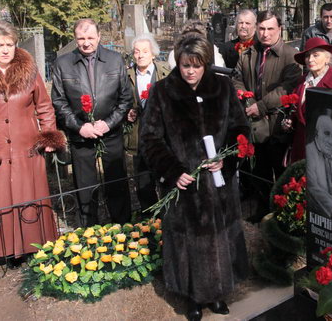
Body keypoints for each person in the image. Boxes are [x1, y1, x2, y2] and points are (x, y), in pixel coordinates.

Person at [141, 36, 249, 321]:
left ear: (206, 64)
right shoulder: (163, 92)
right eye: (185, 65)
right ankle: (192, 297)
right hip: (185, 184)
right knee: (188, 243)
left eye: (196, 65)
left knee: (220, 238)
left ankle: (218, 292)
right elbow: (150, 139)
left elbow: (240, 129)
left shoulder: (223, 88)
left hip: (219, 183)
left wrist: (228, 159)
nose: (190, 71)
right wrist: (172, 171)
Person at [0, 21, 66, 265]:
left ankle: (31, 245)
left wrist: (49, 135)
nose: (6, 50)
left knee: (26, 194)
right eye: (0, 45)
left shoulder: (28, 70)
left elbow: (44, 106)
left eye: (10, 44)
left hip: (25, 147)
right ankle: (1, 249)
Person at [51, 18, 133, 226]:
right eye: (81, 38)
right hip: (82, 134)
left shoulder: (115, 60)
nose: (86, 43)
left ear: (99, 37)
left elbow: (125, 98)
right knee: (85, 187)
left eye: (90, 37)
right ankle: (89, 229)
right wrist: (79, 127)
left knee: (116, 182)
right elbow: (59, 101)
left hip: (110, 132)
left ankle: (122, 227)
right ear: (75, 38)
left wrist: (109, 123)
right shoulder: (63, 64)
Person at [232, 10, 301, 221]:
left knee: (281, 175)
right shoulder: (248, 54)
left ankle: (283, 217)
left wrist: (261, 106)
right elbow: (236, 79)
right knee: (259, 172)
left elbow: (288, 87)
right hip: (255, 125)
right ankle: (263, 212)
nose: (265, 33)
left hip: (279, 126)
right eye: (261, 29)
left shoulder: (291, 55)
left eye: (270, 28)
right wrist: (249, 101)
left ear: (280, 29)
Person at [124, 33, 171, 214]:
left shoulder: (166, 73)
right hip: (139, 135)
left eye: (145, 51)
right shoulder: (126, 75)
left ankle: (168, 215)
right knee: (143, 180)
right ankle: (149, 218)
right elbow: (121, 100)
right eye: (137, 51)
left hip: (162, 136)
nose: (140, 55)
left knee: (165, 177)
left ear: (153, 54)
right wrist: (128, 112)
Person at [286, 37, 332, 162]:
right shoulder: (302, 81)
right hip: (300, 146)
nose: (310, 59)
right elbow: (297, 111)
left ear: (327, 58)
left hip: (324, 151)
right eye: (307, 56)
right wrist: (290, 121)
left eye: (315, 55)